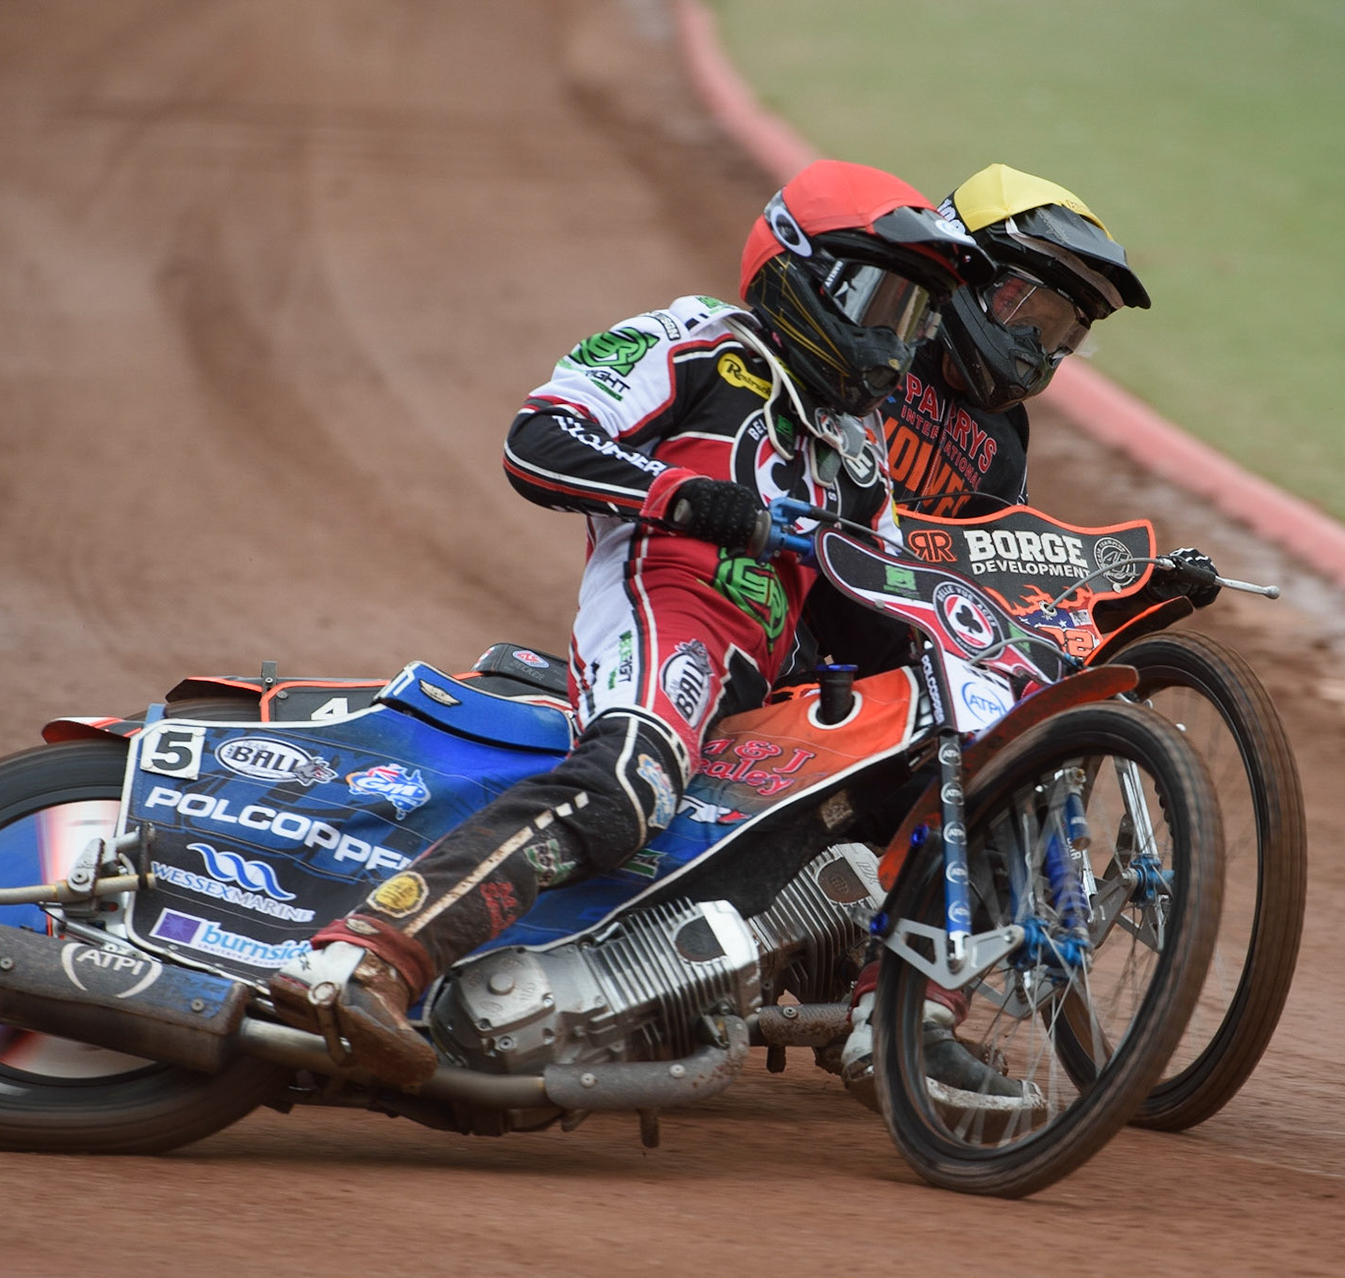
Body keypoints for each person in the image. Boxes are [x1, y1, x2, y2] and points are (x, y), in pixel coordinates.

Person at [267, 159, 996, 1090]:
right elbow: (538, 443)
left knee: (921, 758)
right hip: (671, 602)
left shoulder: (859, 455)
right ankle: (365, 956)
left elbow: (879, 615)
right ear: (800, 273)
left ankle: (886, 1018)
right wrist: (692, 501)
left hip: (763, 671)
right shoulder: (701, 339)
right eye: (880, 301)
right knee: (626, 790)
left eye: (911, 315)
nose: (892, 341)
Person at [823, 165, 1221, 1114]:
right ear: (968, 274)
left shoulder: (1002, 435)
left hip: (911, 667)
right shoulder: (877, 343)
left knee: (1021, 757)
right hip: (807, 636)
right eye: (1033, 314)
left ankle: (905, 1021)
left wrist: (1134, 589)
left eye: (1064, 335)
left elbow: (1004, 561)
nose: (1041, 350)